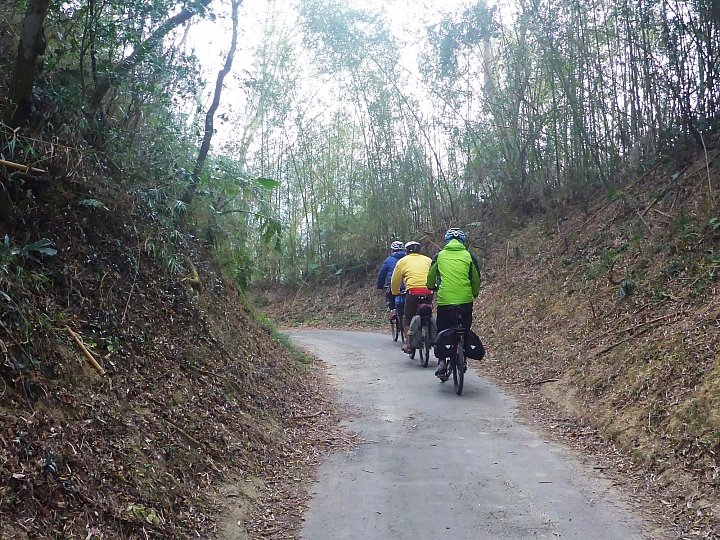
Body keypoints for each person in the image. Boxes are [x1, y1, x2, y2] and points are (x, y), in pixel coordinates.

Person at [426, 228, 481, 377]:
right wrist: (474, 293)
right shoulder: (469, 256)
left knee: (442, 329)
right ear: (462, 241)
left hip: (445, 300)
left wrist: (431, 287)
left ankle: (442, 362)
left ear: (447, 241)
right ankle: (463, 355)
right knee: (465, 327)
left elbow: (431, 277)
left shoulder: (440, 256)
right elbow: (475, 279)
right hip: (465, 299)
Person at [391, 241, 433, 354]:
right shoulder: (428, 260)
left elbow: (395, 280)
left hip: (412, 292)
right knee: (428, 312)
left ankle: (409, 345)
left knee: (408, 317)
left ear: (406, 251)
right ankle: (429, 330)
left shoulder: (402, 262)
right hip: (428, 291)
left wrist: (395, 292)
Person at [376, 241, 406, 320]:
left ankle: (393, 310)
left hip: (394, 286)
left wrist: (380, 285)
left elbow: (382, 274)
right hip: (409, 285)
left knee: (389, 295)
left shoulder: (389, 260)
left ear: (392, 250)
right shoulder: (408, 258)